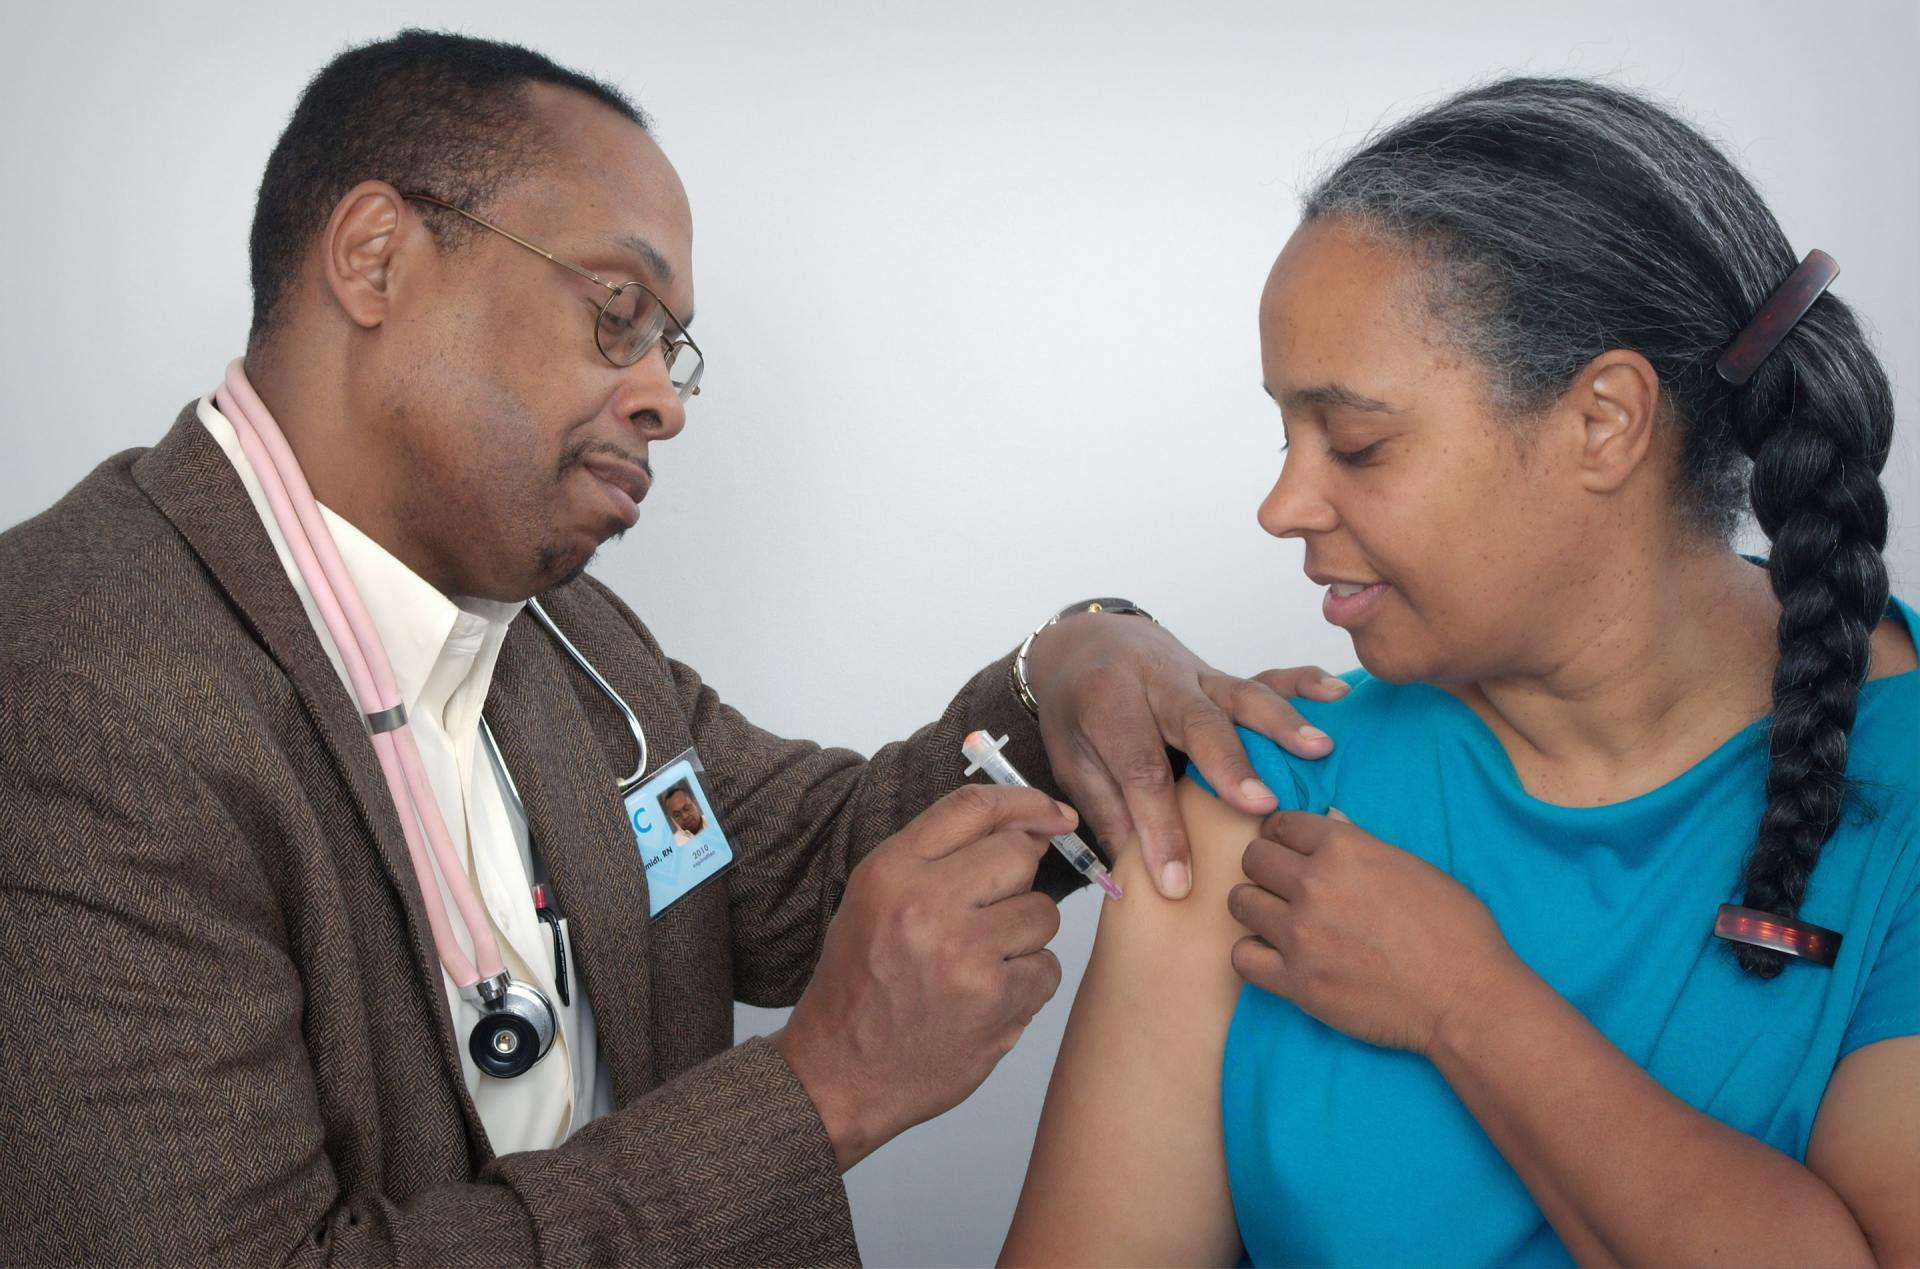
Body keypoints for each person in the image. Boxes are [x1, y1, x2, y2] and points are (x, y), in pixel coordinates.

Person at [0, 30, 1344, 1266]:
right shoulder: (71, 684)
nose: (663, 401)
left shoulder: (565, 640)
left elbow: (813, 864)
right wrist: (820, 1095)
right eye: (616, 311)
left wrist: (1067, 676)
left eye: (670, 348)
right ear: (375, 257)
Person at [1003, 77, 1919, 1267]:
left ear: (1605, 421)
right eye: (1286, 434)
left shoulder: (1899, 787)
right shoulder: (1262, 800)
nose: (1282, 505)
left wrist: (1466, 1003)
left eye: (1359, 442)